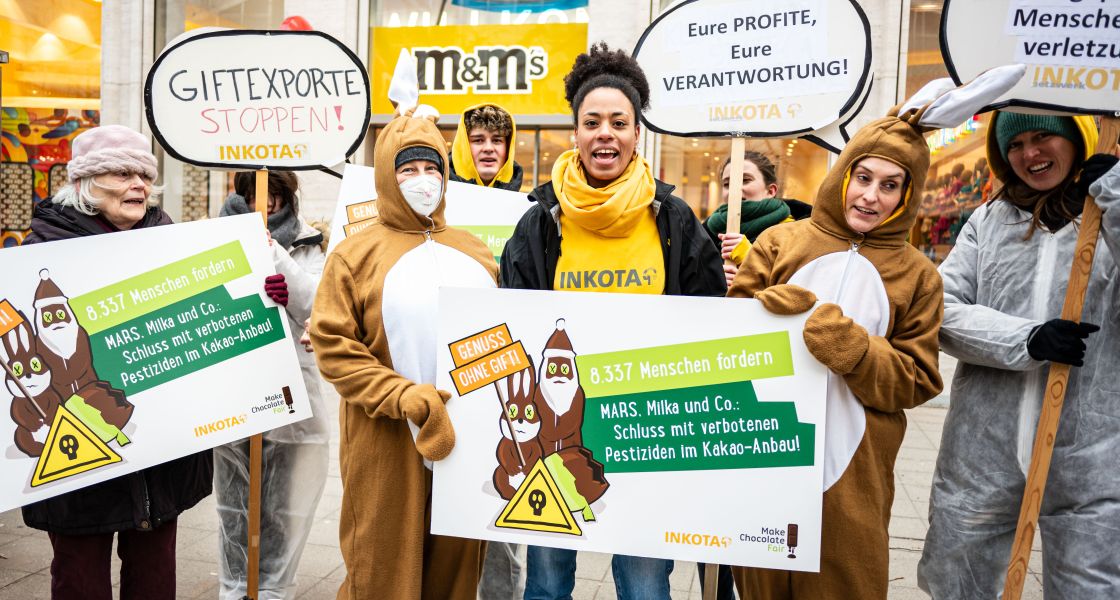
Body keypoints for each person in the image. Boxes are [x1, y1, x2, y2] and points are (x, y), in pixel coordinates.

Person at [500, 42, 726, 600]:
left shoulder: (671, 218)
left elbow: (710, 316)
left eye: (619, 122)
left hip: (645, 423)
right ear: (575, 132)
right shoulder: (541, 221)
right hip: (555, 432)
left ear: (636, 132)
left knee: (646, 581)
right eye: (592, 121)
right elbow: (511, 311)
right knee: (548, 579)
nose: (606, 133)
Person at [727, 105, 944, 599]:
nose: (871, 195)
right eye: (862, 176)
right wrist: (761, 313)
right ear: (842, 173)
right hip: (765, 453)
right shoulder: (779, 242)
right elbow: (730, 343)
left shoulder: (919, 276)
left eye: (890, 185)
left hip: (855, 472)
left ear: (907, 196)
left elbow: (917, 379)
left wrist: (854, 350)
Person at [918, 113, 1120, 598]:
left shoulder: (1107, 211)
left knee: (1090, 587)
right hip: (983, 449)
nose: (1030, 154)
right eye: (1017, 143)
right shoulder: (988, 220)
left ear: (1075, 139)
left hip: (1090, 454)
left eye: (1044, 136)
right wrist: (1026, 339)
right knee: (956, 576)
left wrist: (1114, 200)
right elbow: (940, 308)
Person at [310, 105, 498, 600]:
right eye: (408, 169)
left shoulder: (476, 251)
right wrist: (402, 396)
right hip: (386, 442)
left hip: (468, 442)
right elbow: (333, 346)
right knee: (381, 571)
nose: (422, 179)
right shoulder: (355, 253)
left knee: (456, 575)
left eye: (432, 167)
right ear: (388, 178)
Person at [19, 124, 214, 600]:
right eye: (123, 173)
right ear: (85, 184)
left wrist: (264, 296)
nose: (140, 185)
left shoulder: (170, 244)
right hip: (76, 471)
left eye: (145, 175)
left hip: (159, 465)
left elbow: (207, 327)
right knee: (79, 580)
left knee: (153, 581)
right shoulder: (38, 253)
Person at [213, 169, 331, 599]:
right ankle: (233, 585)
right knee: (234, 503)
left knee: (283, 503)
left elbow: (320, 309)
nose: (266, 203)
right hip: (236, 388)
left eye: (275, 195)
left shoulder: (310, 242)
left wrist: (280, 264)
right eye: (257, 194)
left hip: (291, 391)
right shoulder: (215, 238)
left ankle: (275, 587)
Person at [448, 103, 528, 599]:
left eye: (497, 142)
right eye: (478, 140)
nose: (488, 150)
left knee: (506, 497)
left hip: (506, 370)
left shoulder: (528, 209)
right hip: (452, 367)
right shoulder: (440, 205)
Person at [705, 151, 813, 292]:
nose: (734, 190)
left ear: (771, 191)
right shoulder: (704, 237)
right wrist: (713, 282)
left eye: (745, 180)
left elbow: (799, 289)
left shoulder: (799, 232)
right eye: (727, 184)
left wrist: (752, 259)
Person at [450, 103, 525, 191]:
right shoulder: (435, 199)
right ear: (463, 147)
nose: (488, 148)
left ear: (508, 148)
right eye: (478, 140)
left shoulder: (526, 203)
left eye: (497, 140)